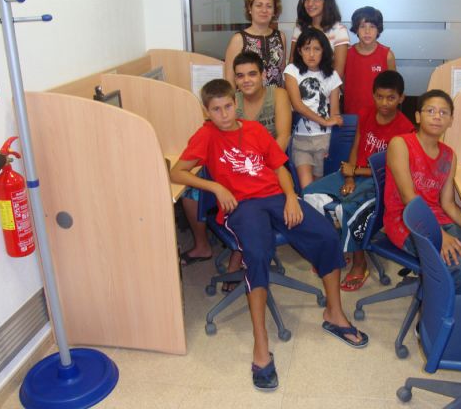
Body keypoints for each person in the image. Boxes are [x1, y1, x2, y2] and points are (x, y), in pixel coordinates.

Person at [170, 79, 368, 391]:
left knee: (326, 235)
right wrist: (216, 186)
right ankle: (261, 343)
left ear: (235, 103)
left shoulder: (254, 130)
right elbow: (176, 171)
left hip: (276, 197)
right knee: (258, 254)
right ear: (207, 111)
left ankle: (334, 313)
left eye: (227, 106)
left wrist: (291, 197)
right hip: (242, 207)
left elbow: (279, 168)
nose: (224, 114)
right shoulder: (205, 135)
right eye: (216, 109)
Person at [180, 51, 292, 271]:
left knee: (247, 198)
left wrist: (258, 170)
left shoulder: (277, 95)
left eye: (252, 74)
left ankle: (239, 253)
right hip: (235, 164)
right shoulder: (231, 100)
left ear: (263, 75)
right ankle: (203, 245)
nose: (246, 80)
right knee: (190, 192)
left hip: (268, 164)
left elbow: (284, 136)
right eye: (240, 76)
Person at [303, 71, 414, 291]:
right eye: (379, 96)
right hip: (355, 172)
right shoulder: (366, 113)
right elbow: (356, 146)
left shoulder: (406, 129)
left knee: (348, 209)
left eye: (391, 98)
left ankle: (360, 263)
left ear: (401, 98)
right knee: (309, 195)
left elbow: (393, 170)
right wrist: (350, 176)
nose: (384, 103)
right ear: (373, 95)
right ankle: (336, 246)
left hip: (379, 183)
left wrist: (356, 172)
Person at [383, 89, 461, 294]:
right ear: (418, 116)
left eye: (443, 113)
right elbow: (408, 198)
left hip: (438, 219)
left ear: (451, 120)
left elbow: (448, 205)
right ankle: (438, 313)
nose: (437, 116)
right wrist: (439, 236)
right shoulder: (401, 144)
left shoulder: (449, 155)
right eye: (430, 111)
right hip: (405, 221)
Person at [285, 27, 343, 189]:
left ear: (324, 51)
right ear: (299, 50)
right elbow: (297, 105)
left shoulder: (332, 75)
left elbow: (335, 113)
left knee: (319, 189)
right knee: (307, 189)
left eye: (317, 49)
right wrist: (323, 121)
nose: (311, 54)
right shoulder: (292, 70)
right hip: (300, 140)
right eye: (307, 48)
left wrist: (333, 135)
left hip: (324, 141)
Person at [224, 0, 286, 87]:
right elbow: (229, 79)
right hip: (247, 96)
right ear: (250, 8)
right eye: (259, 5)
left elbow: (282, 72)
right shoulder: (238, 39)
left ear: (274, 11)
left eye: (269, 6)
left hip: (276, 95)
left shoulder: (280, 37)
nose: (264, 10)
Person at [289, 0, 349, 80]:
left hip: (328, 87)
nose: (310, 4)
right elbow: (292, 63)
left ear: (327, 1)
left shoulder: (339, 31)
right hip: (300, 86)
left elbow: (338, 74)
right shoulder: (299, 29)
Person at [344, 6, 397, 118]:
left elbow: (394, 88)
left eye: (372, 26)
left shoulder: (387, 55)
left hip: (379, 116)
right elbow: (340, 83)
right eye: (362, 26)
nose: (367, 31)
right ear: (356, 29)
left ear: (378, 29)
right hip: (352, 115)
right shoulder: (346, 54)